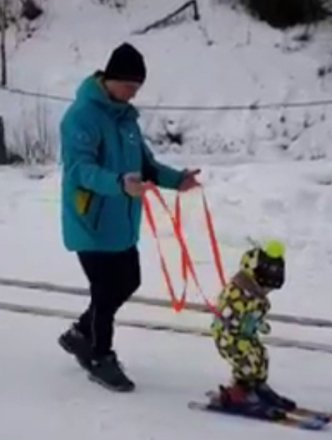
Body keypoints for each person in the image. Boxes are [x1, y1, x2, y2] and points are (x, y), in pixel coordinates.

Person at [57, 42, 201, 391]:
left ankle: (80, 334)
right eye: (128, 86)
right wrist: (119, 183)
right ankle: (99, 356)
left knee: (128, 281)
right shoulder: (81, 117)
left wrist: (178, 180)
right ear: (110, 79)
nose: (133, 93)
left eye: (137, 87)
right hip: (90, 220)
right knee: (105, 291)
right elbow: (80, 170)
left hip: (121, 221)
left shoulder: (126, 119)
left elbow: (145, 165)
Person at [210, 240, 296, 413]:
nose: (267, 292)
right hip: (229, 338)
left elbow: (254, 313)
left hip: (245, 336)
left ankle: (258, 387)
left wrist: (258, 323)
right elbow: (228, 314)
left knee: (261, 356)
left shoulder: (255, 294)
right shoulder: (237, 293)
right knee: (247, 361)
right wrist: (237, 326)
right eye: (266, 288)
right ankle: (239, 393)